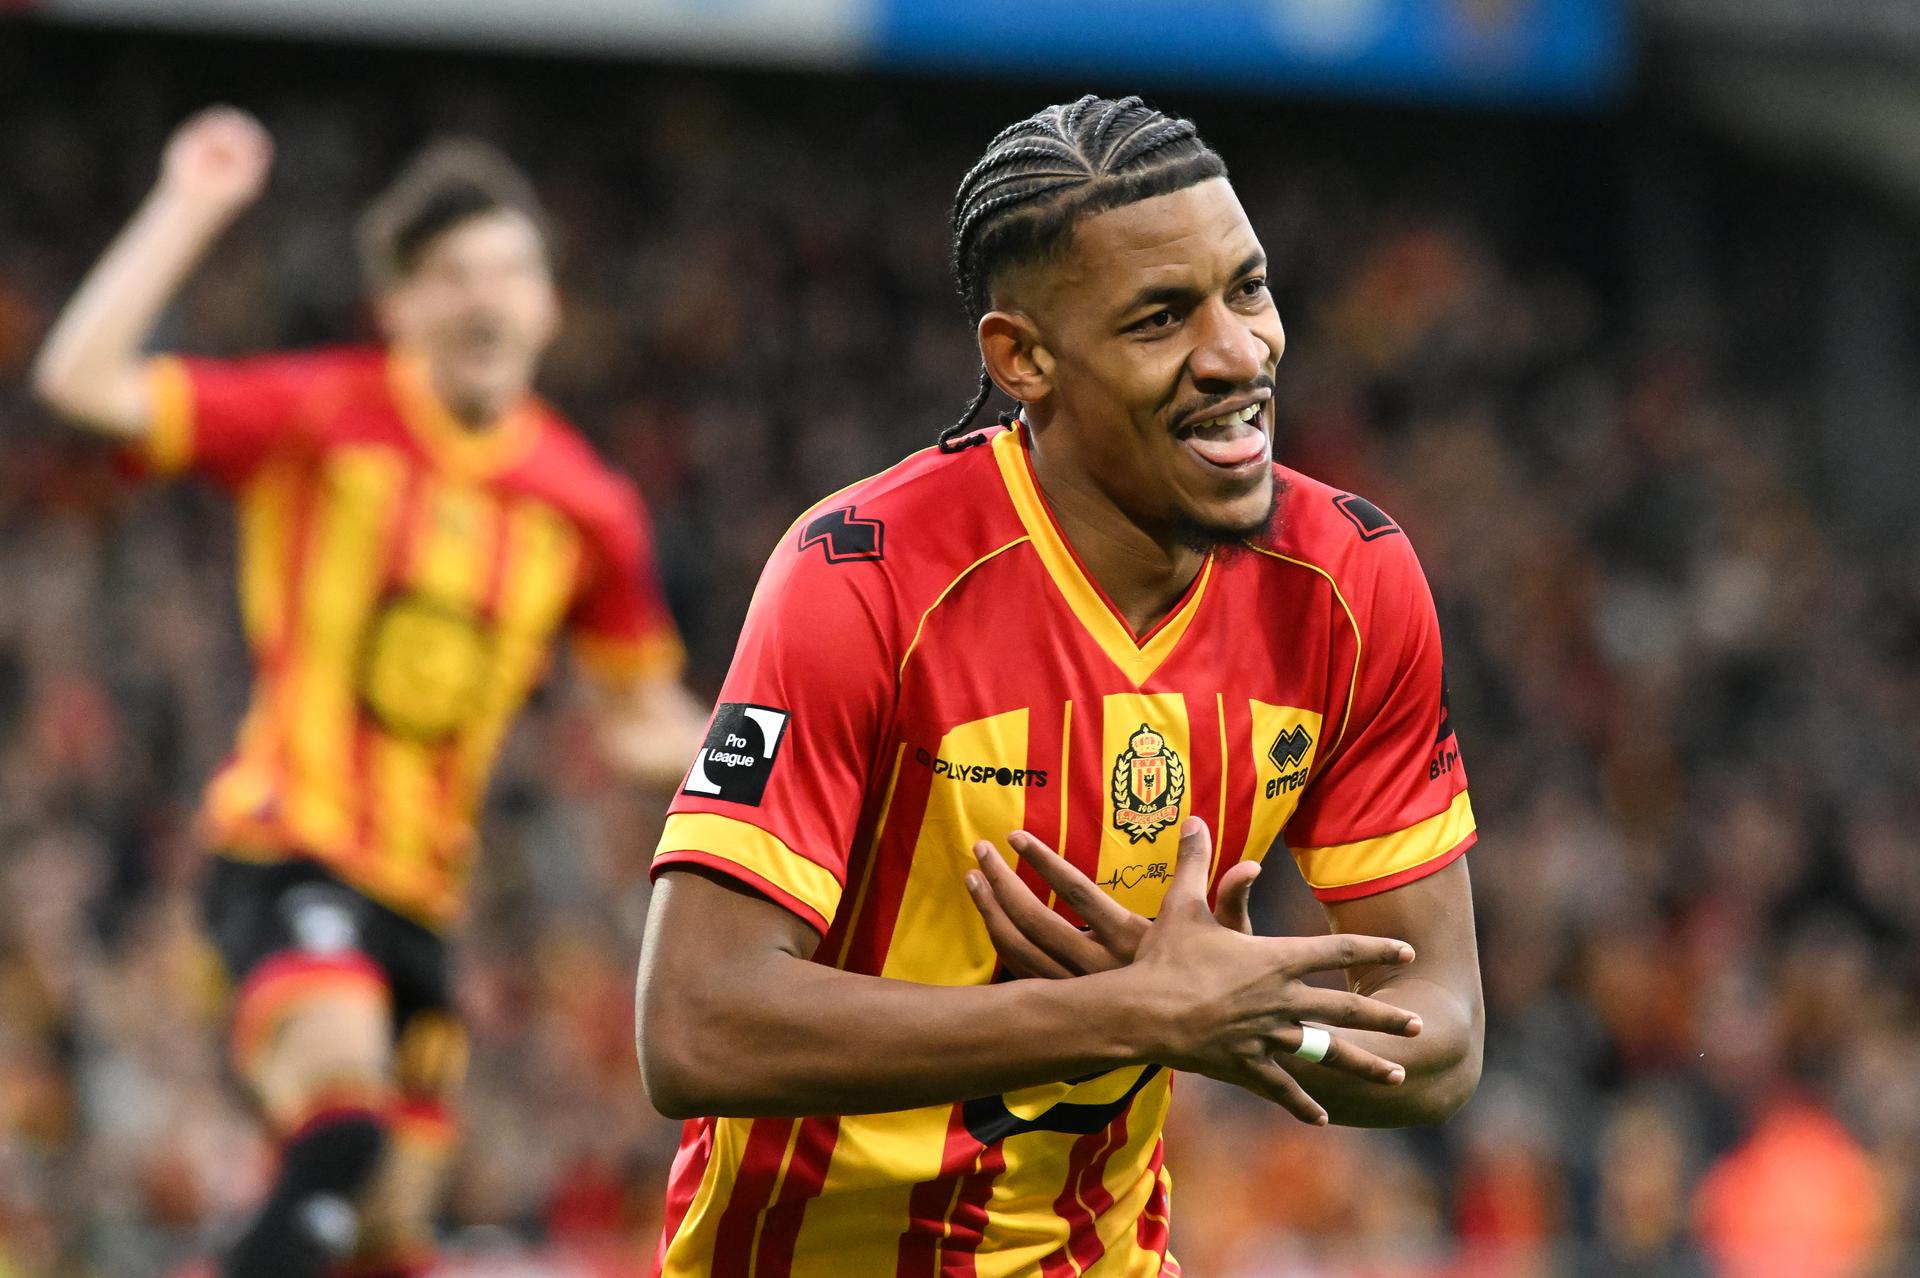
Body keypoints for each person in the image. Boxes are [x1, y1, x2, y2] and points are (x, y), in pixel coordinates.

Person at [637, 94, 1483, 1274]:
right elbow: (694, 1026)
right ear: (1022, 358)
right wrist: (1131, 1013)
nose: (1239, 351)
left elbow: (1444, 1038)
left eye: (1248, 288)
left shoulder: (1351, 584)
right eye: (1160, 319)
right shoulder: (864, 580)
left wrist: (1259, 1017)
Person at [31, 107, 707, 1278]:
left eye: (509, 272)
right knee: (339, 1131)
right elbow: (83, 380)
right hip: (288, 849)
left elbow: (639, 713)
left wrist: (791, 770)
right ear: (397, 307)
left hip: (428, 904)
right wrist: (190, 203)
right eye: (450, 277)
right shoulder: (320, 412)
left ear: (549, 303)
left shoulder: (585, 504)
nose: (485, 299)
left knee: (385, 1241)